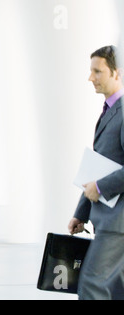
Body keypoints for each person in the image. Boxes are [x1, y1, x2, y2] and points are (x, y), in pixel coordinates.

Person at [68, 45, 124, 300]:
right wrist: (81, 213)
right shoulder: (109, 113)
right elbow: (99, 166)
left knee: (91, 284)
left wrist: (100, 188)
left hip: (117, 223)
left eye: (97, 71)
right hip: (108, 220)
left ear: (117, 73)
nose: (91, 78)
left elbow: (100, 181)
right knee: (114, 290)